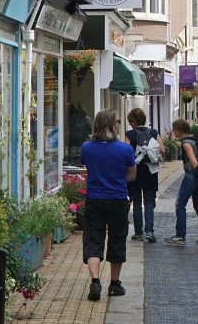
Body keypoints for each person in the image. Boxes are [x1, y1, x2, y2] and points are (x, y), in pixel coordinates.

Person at [80, 109, 136, 300]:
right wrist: (117, 179)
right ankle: (114, 284)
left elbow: (88, 168)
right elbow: (132, 175)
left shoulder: (87, 147)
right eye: (118, 121)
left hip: (94, 199)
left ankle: (95, 282)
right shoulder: (125, 149)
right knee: (117, 240)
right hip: (118, 199)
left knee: (94, 240)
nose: (120, 124)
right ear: (112, 125)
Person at [165, 119, 198, 246]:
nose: (173, 131)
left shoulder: (186, 143)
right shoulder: (195, 139)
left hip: (192, 174)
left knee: (180, 204)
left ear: (180, 129)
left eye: (174, 129)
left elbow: (193, 160)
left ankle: (180, 235)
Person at [123, 108, 164, 243]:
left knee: (136, 201)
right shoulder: (153, 132)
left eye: (130, 121)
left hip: (135, 171)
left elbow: (126, 152)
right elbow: (162, 150)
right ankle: (150, 232)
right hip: (150, 171)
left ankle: (138, 233)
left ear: (134, 120)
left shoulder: (129, 134)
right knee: (149, 202)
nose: (130, 124)